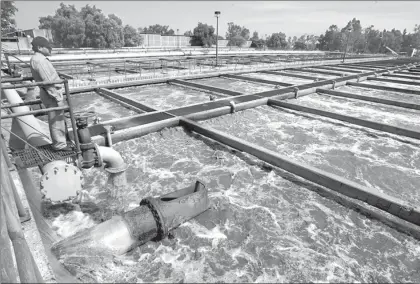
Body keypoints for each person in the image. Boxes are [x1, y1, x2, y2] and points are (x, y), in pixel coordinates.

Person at [29, 36, 73, 151]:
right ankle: (60, 145)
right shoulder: (41, 61)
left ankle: (61, 141)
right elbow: (49, 83)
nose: (50, 50)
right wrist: (58, 98)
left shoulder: (36, 59)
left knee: (57, 118)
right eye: (48, 48)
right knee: (56, 120)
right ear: (39, 47)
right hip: (51, 94)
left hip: (47, 93)